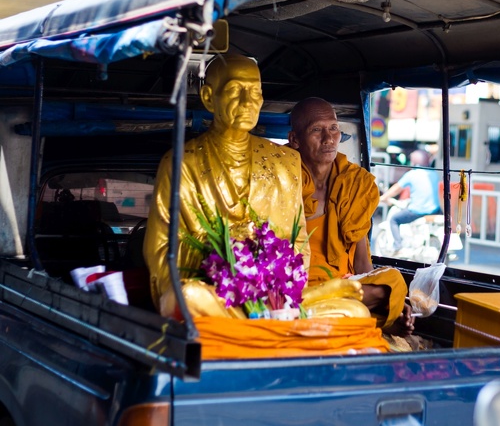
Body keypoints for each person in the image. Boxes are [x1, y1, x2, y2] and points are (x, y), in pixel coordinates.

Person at [143, 54, 308, 319]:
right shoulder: (182, 163)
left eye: (255, 91)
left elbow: (299, 243)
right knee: (187, 297)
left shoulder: (286, 163)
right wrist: (226, 253)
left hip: (276, 302)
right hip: (215, 299)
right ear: (209, 97)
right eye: (235, 91)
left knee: (353, 310)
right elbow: (161, 251)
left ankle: (268, 322)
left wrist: (277, 285)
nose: (248, 102)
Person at [288, 97, 413, 335]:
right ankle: (373, 311)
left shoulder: (355, 184)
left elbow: (362, 264)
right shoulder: (281, 178)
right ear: (295, 139)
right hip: (300, 290)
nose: (329, 139)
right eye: (317, 130)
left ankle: (372, 308)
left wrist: (384, 293)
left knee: (393, 280)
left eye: (333, 128)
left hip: (345, 287)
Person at [379, 149, 442, 254]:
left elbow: (396, 189)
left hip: (418, 212)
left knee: (394, 220)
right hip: (435, 210)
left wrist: (383, 197)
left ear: (414, 161)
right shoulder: (434, 174)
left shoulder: (412, 174)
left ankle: (397, 245)